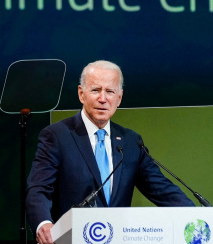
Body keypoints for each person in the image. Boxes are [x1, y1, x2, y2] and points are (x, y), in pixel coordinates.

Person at [25, 60, 194, 244]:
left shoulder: (130, 141)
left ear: (119, 98)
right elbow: (38, 189)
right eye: (96, 90)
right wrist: (43, 223)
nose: (103, 98)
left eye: (110, 91)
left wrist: (199, 216)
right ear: (81, 94)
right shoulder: (57, 136)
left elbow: (162, 190)